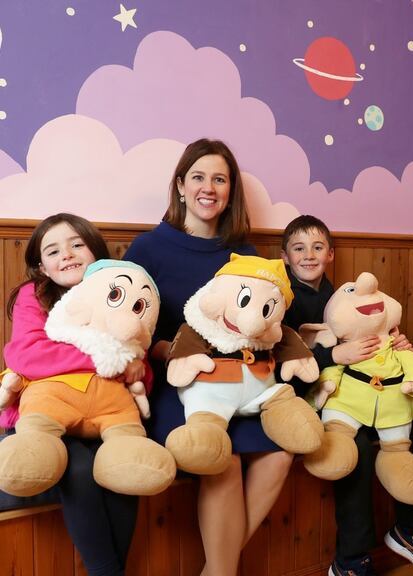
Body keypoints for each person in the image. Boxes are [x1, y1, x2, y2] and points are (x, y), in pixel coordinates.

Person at [124, 138, 292, 576]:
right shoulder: (147, 249)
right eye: (198, 177)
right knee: (225, 458)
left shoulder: (247, 256)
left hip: (241, 383)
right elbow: (135, 331)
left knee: (281, 454)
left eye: (219, 179)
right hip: (179, 386)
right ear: (180, 186)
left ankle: (216, 570)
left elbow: (265, 326)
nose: (208, 187)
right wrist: (178, 356)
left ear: (230, 190)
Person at [280, 215, 413, 576]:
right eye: (299, 248)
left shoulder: (344, 295)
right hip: (317, 395)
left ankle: (412, 530)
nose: (309, 255)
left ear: (330, 253)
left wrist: (395, 343)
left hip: (369, 388)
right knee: (352, 447)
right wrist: (333, 356)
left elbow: (377, 328)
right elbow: (281, 358)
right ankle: (351, 558)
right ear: (285, 257)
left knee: (411, 416)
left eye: (317, 247)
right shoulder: (282, 300)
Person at [0, 212, 145, 576]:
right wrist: (107, 356)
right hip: (46, 414)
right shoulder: (32, 295)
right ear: (42, 266)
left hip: (108, 414)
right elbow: (27, 354)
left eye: (77, 244)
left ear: (96, 252)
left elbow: (136, 353)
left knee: (120, 468)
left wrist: (136, 369)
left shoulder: (118, 291)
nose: (66, 254)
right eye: (53, 250)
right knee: (79, 470)